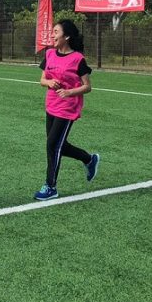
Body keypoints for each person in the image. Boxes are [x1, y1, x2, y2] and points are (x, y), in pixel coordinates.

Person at [35, 19, 99, 201]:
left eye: (56, 32)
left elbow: (87, 86)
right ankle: (89, 159)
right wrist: (49, 82)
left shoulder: (77, 59)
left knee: (52, 145)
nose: (52, 35)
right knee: (59, 146)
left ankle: (50, 187)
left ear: (67, 36)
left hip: (67, 108)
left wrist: (70, 92)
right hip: (51, 105)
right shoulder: (49, 54)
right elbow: (42, 80)